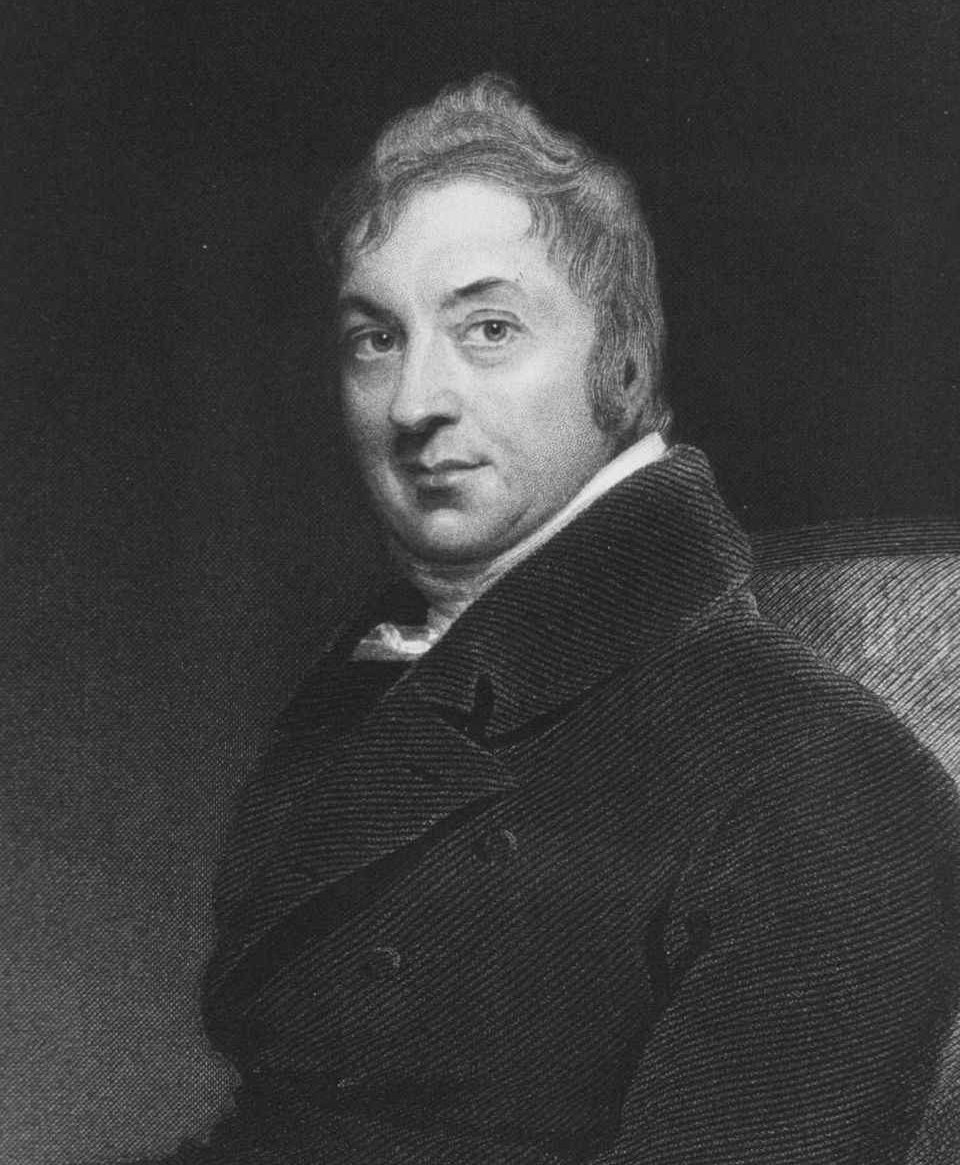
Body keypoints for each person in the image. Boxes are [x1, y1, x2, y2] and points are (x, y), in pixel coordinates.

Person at [175, 75, 960, 1163]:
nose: (414, 403)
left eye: (489, 329)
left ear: (621, 362)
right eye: (376, 339)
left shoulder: (818, 774)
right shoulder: (372, 681)